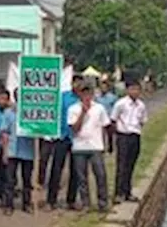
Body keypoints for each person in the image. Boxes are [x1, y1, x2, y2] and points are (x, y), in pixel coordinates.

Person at [67, 82, 111, 213]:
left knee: (101, 175)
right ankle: (86, 203)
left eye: (89, 93)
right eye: (83, 93)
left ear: (92, 94)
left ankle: (102, 203)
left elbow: (105, 126)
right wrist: (82, 113)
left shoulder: (99, 109)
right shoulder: (73, 109)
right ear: (79, 94)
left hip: (96, 146)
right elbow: (74, 128)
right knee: (82, 177)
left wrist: (106, 145)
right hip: (79, 147)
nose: (86, 96)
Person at [47, 76, 83, 210]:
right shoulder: (63, 97)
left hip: (77, 138)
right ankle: (51, 200)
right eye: (76, 82)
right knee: (56, 169)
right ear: (71, 83)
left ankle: (71, 200)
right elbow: (54, 113)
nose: (77, 85)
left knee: (75, 170)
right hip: (62, 137)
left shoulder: (83, 99)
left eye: (80, 83)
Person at [0, 90, 35, 214]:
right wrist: (4, 151)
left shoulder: (33, 112)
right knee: (10, 180)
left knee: (27, 180)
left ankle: (27, 204)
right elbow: (4, 133)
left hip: (28, 151)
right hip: (12, 150)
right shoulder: (8, 113)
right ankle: (8, 205)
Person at [111, 81, 147, 203]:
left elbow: (143, 120)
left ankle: (127, 192)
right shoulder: (120, 104)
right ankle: (118, 193)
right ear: (127, 90)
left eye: (137, 89)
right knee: (121, 165)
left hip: (135, 135)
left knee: (131, 165)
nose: (135, 92)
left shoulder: (141, 105)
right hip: (123, 136)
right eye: (132, 89)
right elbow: (113, 120)